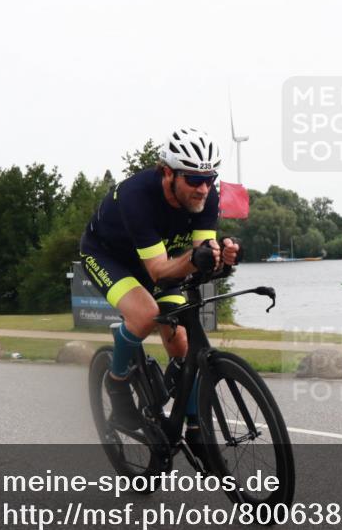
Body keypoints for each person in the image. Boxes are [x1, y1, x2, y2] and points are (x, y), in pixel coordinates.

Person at [79, 127, 240, 451]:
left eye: (209, 178)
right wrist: (197, 258)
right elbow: (157, 271)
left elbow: (201, 250)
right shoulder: (137, 196)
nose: (203, 188)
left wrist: (223, 255)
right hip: (111, 258)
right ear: (168, 173)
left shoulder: (207, 194)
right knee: (145, 315)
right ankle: (117, 384)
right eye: (194, 179)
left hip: (161, 258)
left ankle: (194, 426)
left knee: (182, 340)